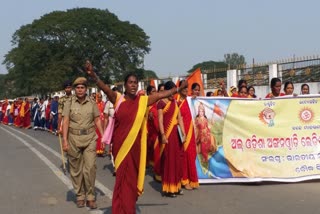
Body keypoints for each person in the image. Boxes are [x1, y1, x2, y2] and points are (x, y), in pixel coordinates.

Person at [85, 60, 187, 214]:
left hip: (136, 149)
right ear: (125, 85)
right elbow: (104, 87)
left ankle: (129, 208)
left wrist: (178, 89)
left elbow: (160, 94)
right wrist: (92, 74)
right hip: (121, 148)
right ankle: (119, 210)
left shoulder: (143, 101)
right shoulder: (118, 99)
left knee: (131, 181)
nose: (133, 85)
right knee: (121, 181)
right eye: (130, 82)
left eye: (135, 83)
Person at [62, 77, 103, 209]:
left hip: (90, 138)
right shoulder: (69, 102)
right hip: (73, 138)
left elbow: (97, 120)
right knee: (75, 170)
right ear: (75, 89)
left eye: (82, 88)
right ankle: (80, 196)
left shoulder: (92, 102)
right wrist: (64, 140)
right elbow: (66, 121)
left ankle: (90, 197)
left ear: (86, 89)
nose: (80, 90)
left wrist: (103, 136)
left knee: (90, 168)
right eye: (78, 88)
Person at [177, 80, 199, 190]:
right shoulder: (176, 102)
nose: (185, 90)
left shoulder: (190, 100)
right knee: (184, 156)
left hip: (191, 132)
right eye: (183, 88)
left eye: (187, 88)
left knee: (191, 155)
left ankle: (192, 179)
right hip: (182, 133)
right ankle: (184, 180)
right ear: (179, 89)